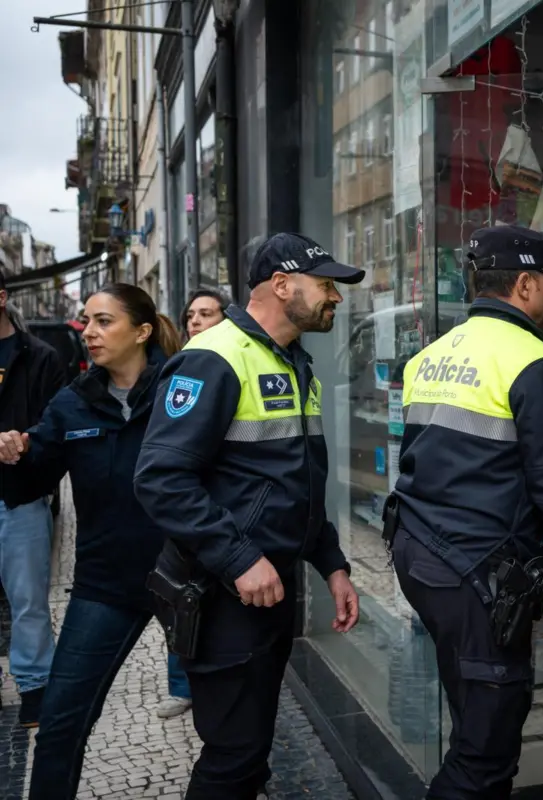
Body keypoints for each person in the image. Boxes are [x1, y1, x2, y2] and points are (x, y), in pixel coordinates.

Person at [133, 233, 364, 799]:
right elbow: (160, 478)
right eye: (325, 284)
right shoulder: (213, 358)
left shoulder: (293, 361)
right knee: (233, 756)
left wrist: (331, 563)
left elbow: (292, 484)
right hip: (220, 595)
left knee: (252, 749)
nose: (336, 297)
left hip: (267, 591)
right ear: (282, 286)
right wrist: (239, 558)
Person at [389, 225, 543, 798]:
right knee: (483, 757)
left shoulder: (431, 356)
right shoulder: (536, 363)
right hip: (476, 573)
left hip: (423, 555)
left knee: (471, 713)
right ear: (524, 284)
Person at [0, 285, 181, 796]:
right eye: (86, 321)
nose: (88, 332)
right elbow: (32, 481)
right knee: (60, 725)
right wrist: (12, 455)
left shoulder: (185, 389)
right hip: (106, 584)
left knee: (226, 718)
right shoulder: (74, 403)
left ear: (142, 331)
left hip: (192, 577)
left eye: (103, 321)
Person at [155, 288, 230, 721]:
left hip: (218, 510)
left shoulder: (227, 365)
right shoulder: (180, 368)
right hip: (184, 511)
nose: (196, 321)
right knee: (180, 601)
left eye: (206, 313)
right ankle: (182, 685)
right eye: (191, 315)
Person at [0, 272, 65, 728]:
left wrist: (26, 444)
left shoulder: (40, 356)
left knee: (27, 599)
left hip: (19, 498)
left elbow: (58, 430)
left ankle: (35, 685)